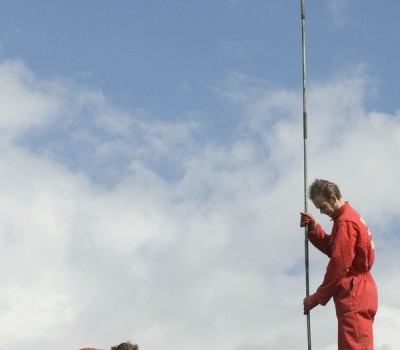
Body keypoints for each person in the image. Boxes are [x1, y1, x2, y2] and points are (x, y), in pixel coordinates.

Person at [300, 179, 378, 350]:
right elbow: (338, 251)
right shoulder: (347, 217)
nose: (321, 212)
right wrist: (314, 229)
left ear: (333, 198)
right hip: (360, 290)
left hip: (354, 293)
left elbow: (339, 264)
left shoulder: (345, 223)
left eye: (322, 206)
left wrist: (317, 297)